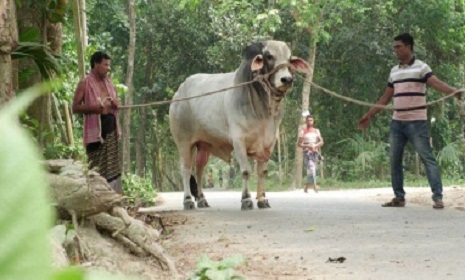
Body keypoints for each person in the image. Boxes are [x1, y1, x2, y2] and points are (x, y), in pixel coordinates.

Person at [358, 33, 460, 209]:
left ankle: (437, 197)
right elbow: (385, 98)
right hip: (397, 122)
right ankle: (399, 197)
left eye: (399, 46)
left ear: (409, 47)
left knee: (427, 159)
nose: (395, 50)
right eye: (395, 47)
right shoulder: (394, 71)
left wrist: (453, 91)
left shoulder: (421, 67)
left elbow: (436, 83)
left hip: (416, 122)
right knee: (394, 160)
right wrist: (369, 115)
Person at [72, 51, 122, 194]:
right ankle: (96, 197)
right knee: (96, 166)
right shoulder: (85, 83)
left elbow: (117, 102)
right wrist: (95, 108)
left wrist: (115, 103)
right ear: (96, 64)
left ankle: (113, 198)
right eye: (105, 65)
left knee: (112, 165)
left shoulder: (109, 83)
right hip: (95, 132)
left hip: (110, 126)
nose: (108, 68)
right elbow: (74, 108)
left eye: (108, 65)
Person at [298, 113, 324, 193]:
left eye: (311, 120)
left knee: (311, 170)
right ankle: (315, 186)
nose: (309, 122)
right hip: (307, 153)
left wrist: (315, 145)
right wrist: (308, 146)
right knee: (312, 167)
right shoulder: (303, 131)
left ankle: (306, 187)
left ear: (313, 121)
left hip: (315, 152)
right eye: (308, 120)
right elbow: (299, 144)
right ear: (306, 122)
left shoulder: (316, 131)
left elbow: (322, 141)